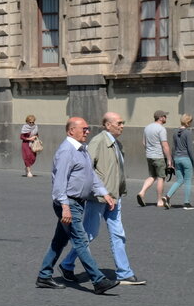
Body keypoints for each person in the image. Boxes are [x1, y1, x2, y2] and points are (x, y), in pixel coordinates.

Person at [35, 117, 119, 294]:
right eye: (84, 129)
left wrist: (104, 193)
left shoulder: (82, 149)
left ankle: (44, 275)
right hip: (68, 203)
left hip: (78, 203)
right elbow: (59, 182)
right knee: (80, 241)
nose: (87, 131)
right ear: (71, 131)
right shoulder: (66, 151)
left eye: (87, 129)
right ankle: (98, 280)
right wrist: (65, 207)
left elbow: (91, 176)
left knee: (59, 240)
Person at [61, 112, 145, 285]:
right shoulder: (98, 142)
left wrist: (118, 192)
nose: (122, 126)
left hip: (114, 196)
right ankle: (67, 263)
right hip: (98, 198)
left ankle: (124, 272)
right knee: (89, 234)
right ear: (108, 125)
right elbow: (86, 168)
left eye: (122, 123)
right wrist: (97, 191)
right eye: (119, 123)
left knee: (118, 233)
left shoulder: (117, 144)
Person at [136, 110, 172, 207]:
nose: (166, 118)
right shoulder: (161, 129)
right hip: (159, 156)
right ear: (160, 118)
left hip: (149, 156)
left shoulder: (147, 127)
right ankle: (159, 200)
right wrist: (169, 159)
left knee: (152, 176)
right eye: (165, 116)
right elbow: (165, 145)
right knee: (161, 178)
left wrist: (149, 151)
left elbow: (144, 143)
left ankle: (142, 192)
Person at [164, 114, 194, 210]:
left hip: (177, 158)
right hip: (186, 158)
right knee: (187, 180)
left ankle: (167, 196)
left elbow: (173, 147)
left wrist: (173, 161)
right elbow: (190, 149)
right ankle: (186, 203)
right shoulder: (188, 133)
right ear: (188, 122)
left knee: (179, 180)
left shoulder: (175, 132)